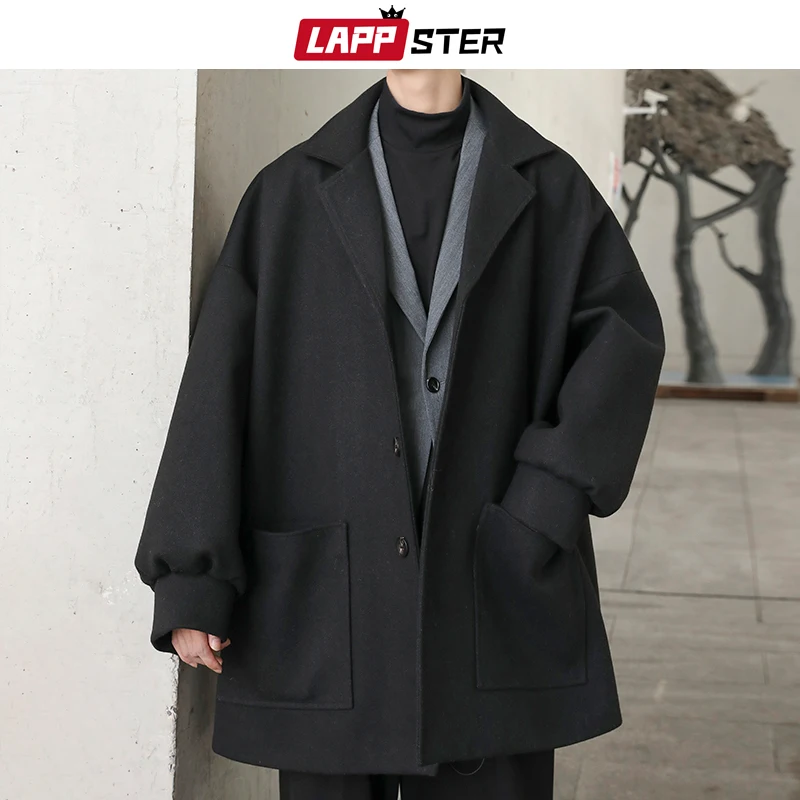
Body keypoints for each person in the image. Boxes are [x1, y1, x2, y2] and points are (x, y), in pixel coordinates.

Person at [134, 69, 666, 799]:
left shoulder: (550, 186)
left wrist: (544, 504)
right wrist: (191, 577)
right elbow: (218, 386)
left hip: (493, 582)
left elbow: (622, 344)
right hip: (331, 604)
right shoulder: (289, 193)